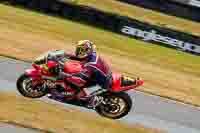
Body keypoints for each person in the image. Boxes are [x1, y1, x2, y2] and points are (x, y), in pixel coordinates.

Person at [49, 40, 112, 107]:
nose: (79, 51)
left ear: (87, 50)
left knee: (79, 95)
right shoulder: (91, 54)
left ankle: (93, 101)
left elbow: (80, 81)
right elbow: (79, 58)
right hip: (97, 76)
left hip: (101, 83)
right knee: (72, 70)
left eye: (81, 50)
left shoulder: (91, 65)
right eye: (79, 49)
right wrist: (64, 55)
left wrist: (64, 75)